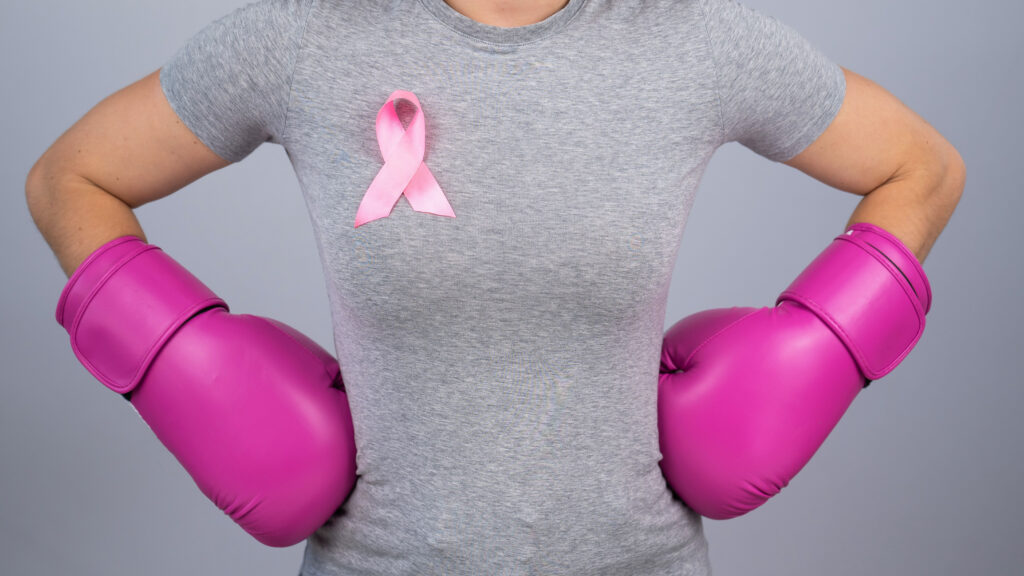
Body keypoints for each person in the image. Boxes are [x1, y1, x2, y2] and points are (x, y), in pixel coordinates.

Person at [25, 0, 965, 574]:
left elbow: (922, 167)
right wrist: (181, 364)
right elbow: (70, 178)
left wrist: (824, 350)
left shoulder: (693, 41)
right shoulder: (306, 38)